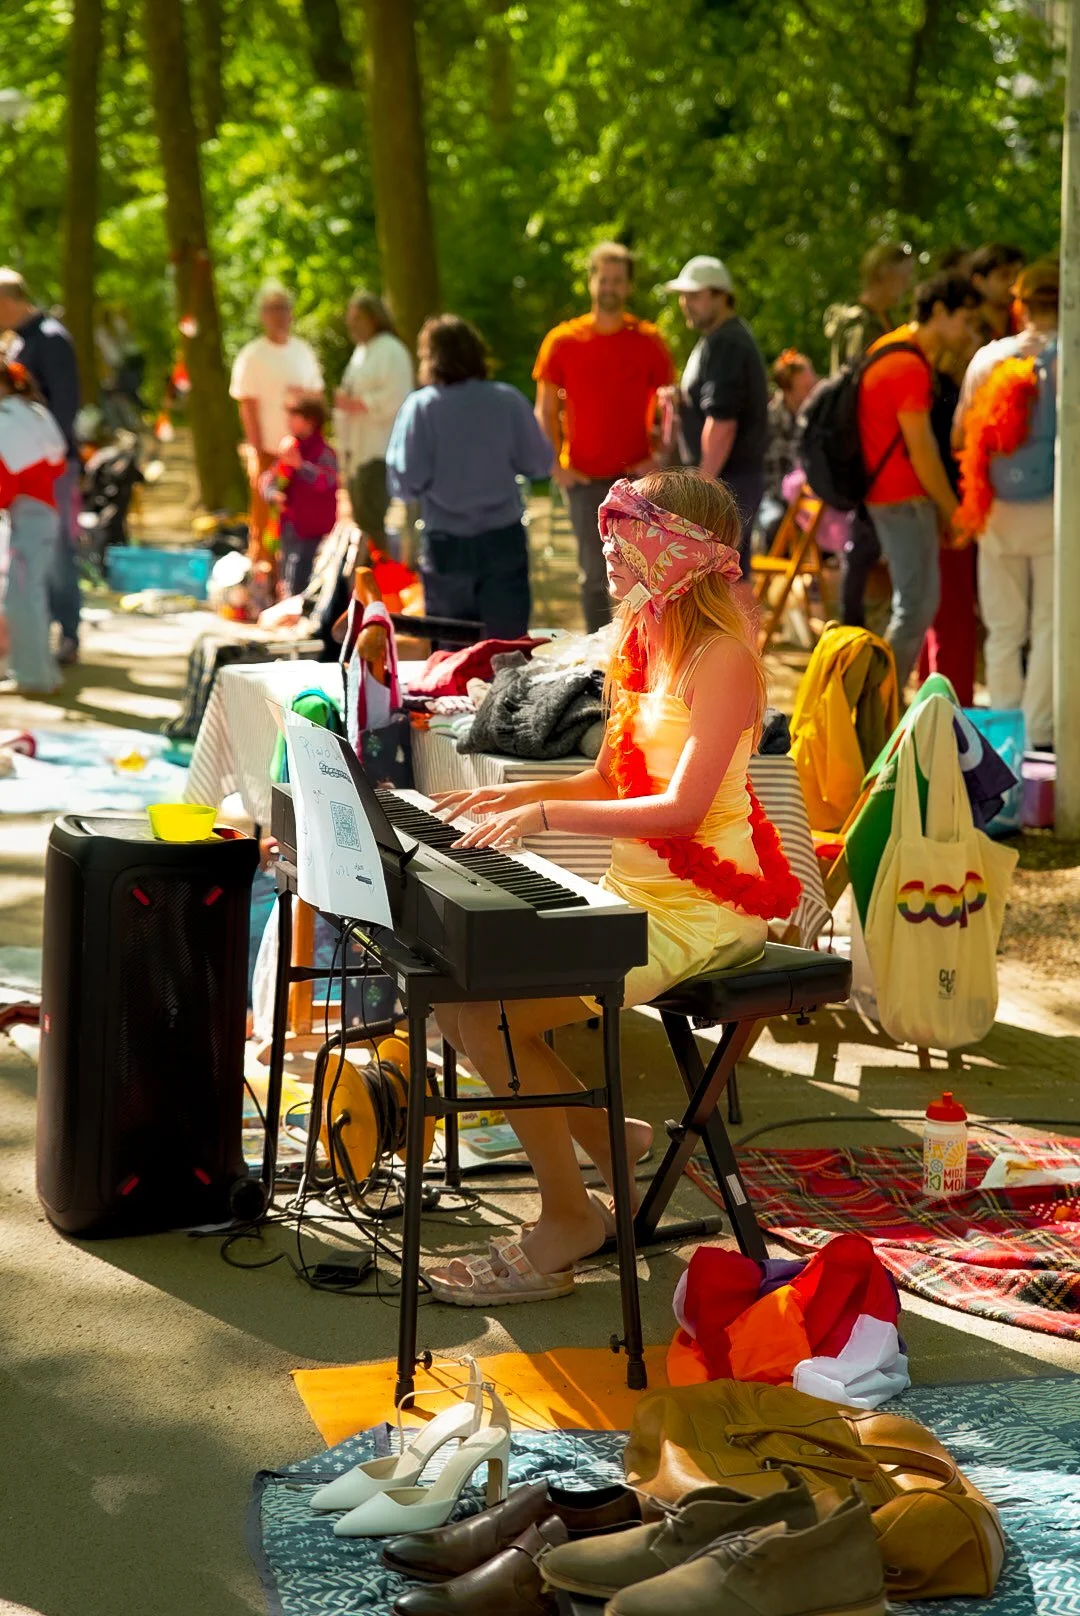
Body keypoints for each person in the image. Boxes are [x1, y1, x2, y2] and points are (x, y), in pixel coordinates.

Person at [422, 469, 798, 1300]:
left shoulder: (724, 656)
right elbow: (607, 775)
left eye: (624, 541)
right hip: (633, 897)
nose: (608, 560)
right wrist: (515, 795)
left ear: (676, 552)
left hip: (703, 913)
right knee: (456, 999)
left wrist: (544, 820)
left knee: (492, 1011)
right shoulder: (641, 639)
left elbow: (681, 810)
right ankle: (611, 1140)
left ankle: (571, 1217)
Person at [533, 242, 673, 632]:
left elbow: (669, 408)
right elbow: (543, 409)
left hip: (637, 481)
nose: (609, 287)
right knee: (593, 576)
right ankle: (598, 659)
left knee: (643, 575)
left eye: (617, 281)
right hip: (581, 480)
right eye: (603, 279)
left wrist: (659, 455)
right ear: (591, 282)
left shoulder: (649, 341)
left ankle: (641, 651)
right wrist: (552, 465)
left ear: (628, 287)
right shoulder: (562, 341)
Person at [387, 315, 553, 639]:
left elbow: (405, 483)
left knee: (452, 657)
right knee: (507, 652)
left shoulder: (420, 408)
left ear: (430, 359)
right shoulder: (508, 400)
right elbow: (539, 462)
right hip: (503, 541)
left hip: (446, 547)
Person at [857, 270, 982, 689]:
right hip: (901, 500)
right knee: (914, 607)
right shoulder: (907, 365)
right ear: (940, 311)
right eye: (964, 320)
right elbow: (923, 452)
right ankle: (875, 701)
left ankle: (879, 699)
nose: (967, 332)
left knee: (919, 605)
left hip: (892, 497)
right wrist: (954, 510)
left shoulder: (891, 349)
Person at [953, 260, 1059, 749]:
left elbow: (960, 434)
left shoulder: (987, 359)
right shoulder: (1071, 357)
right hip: (1058, 513)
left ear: (1020, 304)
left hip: (995, 510)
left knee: (1001, 630)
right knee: (1050, 627)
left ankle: (1004, 745)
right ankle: (1040, 736)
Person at [823, 245, 916, 627]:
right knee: (863, 544)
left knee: (865, 542)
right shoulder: (863, 326)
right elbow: (859, 390)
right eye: (902, 273)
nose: (907, 283)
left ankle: (856, 627)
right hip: (864, 447)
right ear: (881, 274)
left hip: (871, 447)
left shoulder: (880, 319)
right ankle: (852, 629)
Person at [664, 256, 769, 576]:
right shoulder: (718, 338)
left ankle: (738, 630)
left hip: (726, 482)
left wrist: (703, 486)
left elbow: (722, 421)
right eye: (683, 296)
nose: (685, 304)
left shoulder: (727, 342)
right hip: (730, 482)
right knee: (730, 577)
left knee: (720, 582)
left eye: (695, 296)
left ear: (722, 296)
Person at [0, 267, 82, 665]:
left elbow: (64, 407)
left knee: (59, 551)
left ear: (10, 300)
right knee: (29, 557)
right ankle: (37, 636)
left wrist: (45, 459)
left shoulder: (51, 339)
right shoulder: (17, 343)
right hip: (23, 471)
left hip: (52, 468)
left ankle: (68, 633)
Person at [229, 282, 324, 564]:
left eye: (283, 308)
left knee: (300, 519)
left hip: (302, 455)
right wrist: (258, 450)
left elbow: (318, 399)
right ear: (262, 315)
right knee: (263, 520)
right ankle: (262, 578)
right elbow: (247, 405)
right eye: (272, 309)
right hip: (268, 451)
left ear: (291, 313)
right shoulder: (252, 356)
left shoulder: (303, 353)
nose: (278, 315)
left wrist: (302, 398)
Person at [0, 359, 67, 694]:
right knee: (27, 595)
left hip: (31, 514)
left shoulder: (7, 419)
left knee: (23, 598)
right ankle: (39, 673)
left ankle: (34, 677)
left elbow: (6, 480)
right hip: (41, 511)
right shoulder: (33, 412)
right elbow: (56, 461)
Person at [333, 291, 413, 544]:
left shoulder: (392, 350)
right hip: (357, 450)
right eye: (350, 318)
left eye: (358, 317)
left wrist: (359, 404)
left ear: (374, 318)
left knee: (373, 522)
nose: (352, 324)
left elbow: (398, 396)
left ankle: (382, 576)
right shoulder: (361, 352)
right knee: (362, 521)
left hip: (379, 449)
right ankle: (371, 576)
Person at [260, 396, 338, 598]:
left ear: (310, 421)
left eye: (295, 417)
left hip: (311, 526)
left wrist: (301, 467)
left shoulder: (323, 452)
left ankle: (299, 610)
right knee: (286, 572)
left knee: (300, 574)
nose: (289, 422)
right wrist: (272, 493)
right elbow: (269, 478)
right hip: (290, 523)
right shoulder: (291, 448)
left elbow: (328, 482)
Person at [823, 244, 916, 377]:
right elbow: (857, 384)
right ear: (883, 274)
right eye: (904, 277)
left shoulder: (884, 318)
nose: (907, 284)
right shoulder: (859, 325)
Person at [760, 349, 818, 537]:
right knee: (774, 524)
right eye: (806, 388)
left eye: (813, 385)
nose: (813, 393)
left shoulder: (814, 417)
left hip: (808, 497)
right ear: (787, 390)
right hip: (775, 498)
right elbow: (770, 479)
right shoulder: (769, 421)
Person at [969, 242, 1026, 345]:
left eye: (1017, 275)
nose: (1013, 282)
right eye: (1004, 276)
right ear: (979, 281)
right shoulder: (970, 327)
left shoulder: (1024, 320)